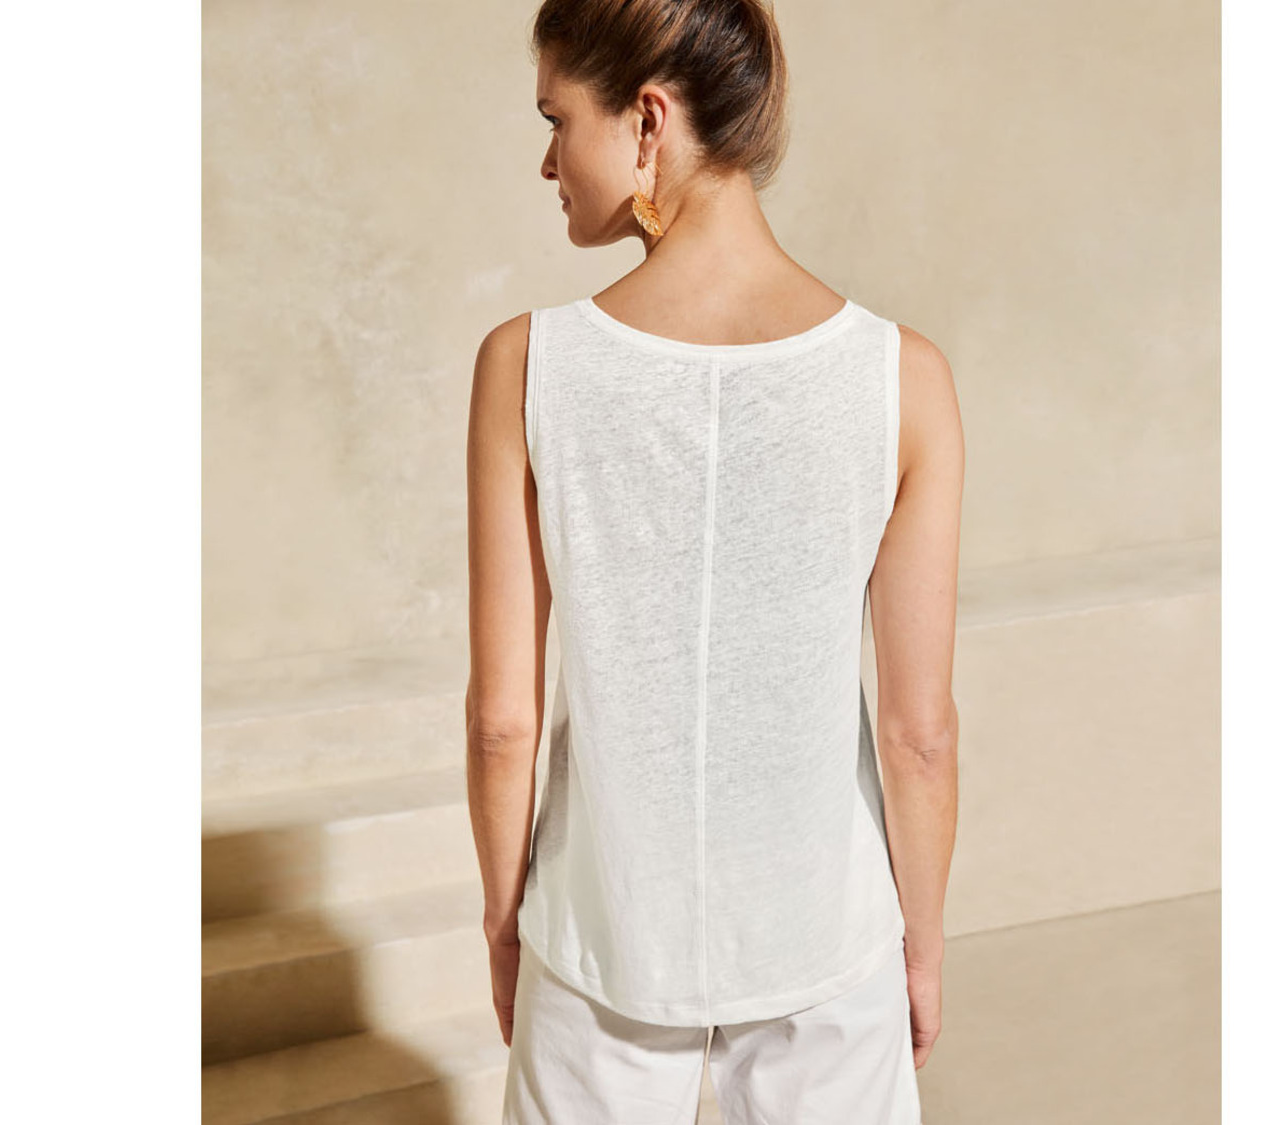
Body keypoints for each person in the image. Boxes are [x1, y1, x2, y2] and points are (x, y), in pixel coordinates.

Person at [465, 1, 964, 1121]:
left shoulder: (526, 368)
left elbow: (502, 722)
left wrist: (505, 921)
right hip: (827, 941)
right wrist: (920, 945)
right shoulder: (905, 379)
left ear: (648, 121)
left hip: (597, 937)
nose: (546, 161)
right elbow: (919, 734)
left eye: (556, 120)